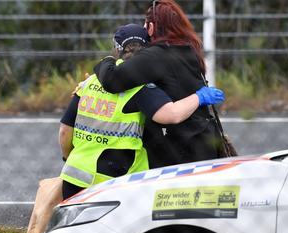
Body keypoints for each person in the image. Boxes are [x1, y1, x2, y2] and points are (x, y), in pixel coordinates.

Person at [60, 23, 225, 199]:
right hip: (117, 181)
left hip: (75, 178)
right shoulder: (141, 86)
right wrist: (200, 97)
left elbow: (64, 132)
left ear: (117, 49)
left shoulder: (90, 82)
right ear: (148, 48)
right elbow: (172, 114)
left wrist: (69, 158)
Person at [93, 0, 227, 168]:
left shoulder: (155, 56)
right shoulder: (188, 49)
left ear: (151, 28)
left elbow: (112, 80)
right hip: (204, 140)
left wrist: (107, 60)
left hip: (178, 150)